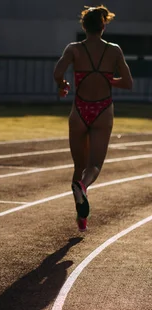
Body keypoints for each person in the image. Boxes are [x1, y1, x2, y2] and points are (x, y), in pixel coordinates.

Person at [53, 5, 133, 231]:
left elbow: (58, 72)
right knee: (95, 164)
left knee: (79, 164)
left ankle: (81, 216)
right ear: (103, 26)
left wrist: (62, 86)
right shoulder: (114, 50)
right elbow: (128, 83)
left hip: (79, 110)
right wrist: (108, 79)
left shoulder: (74, 49)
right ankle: (84, 186)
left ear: (84, 26)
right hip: (103, 110)